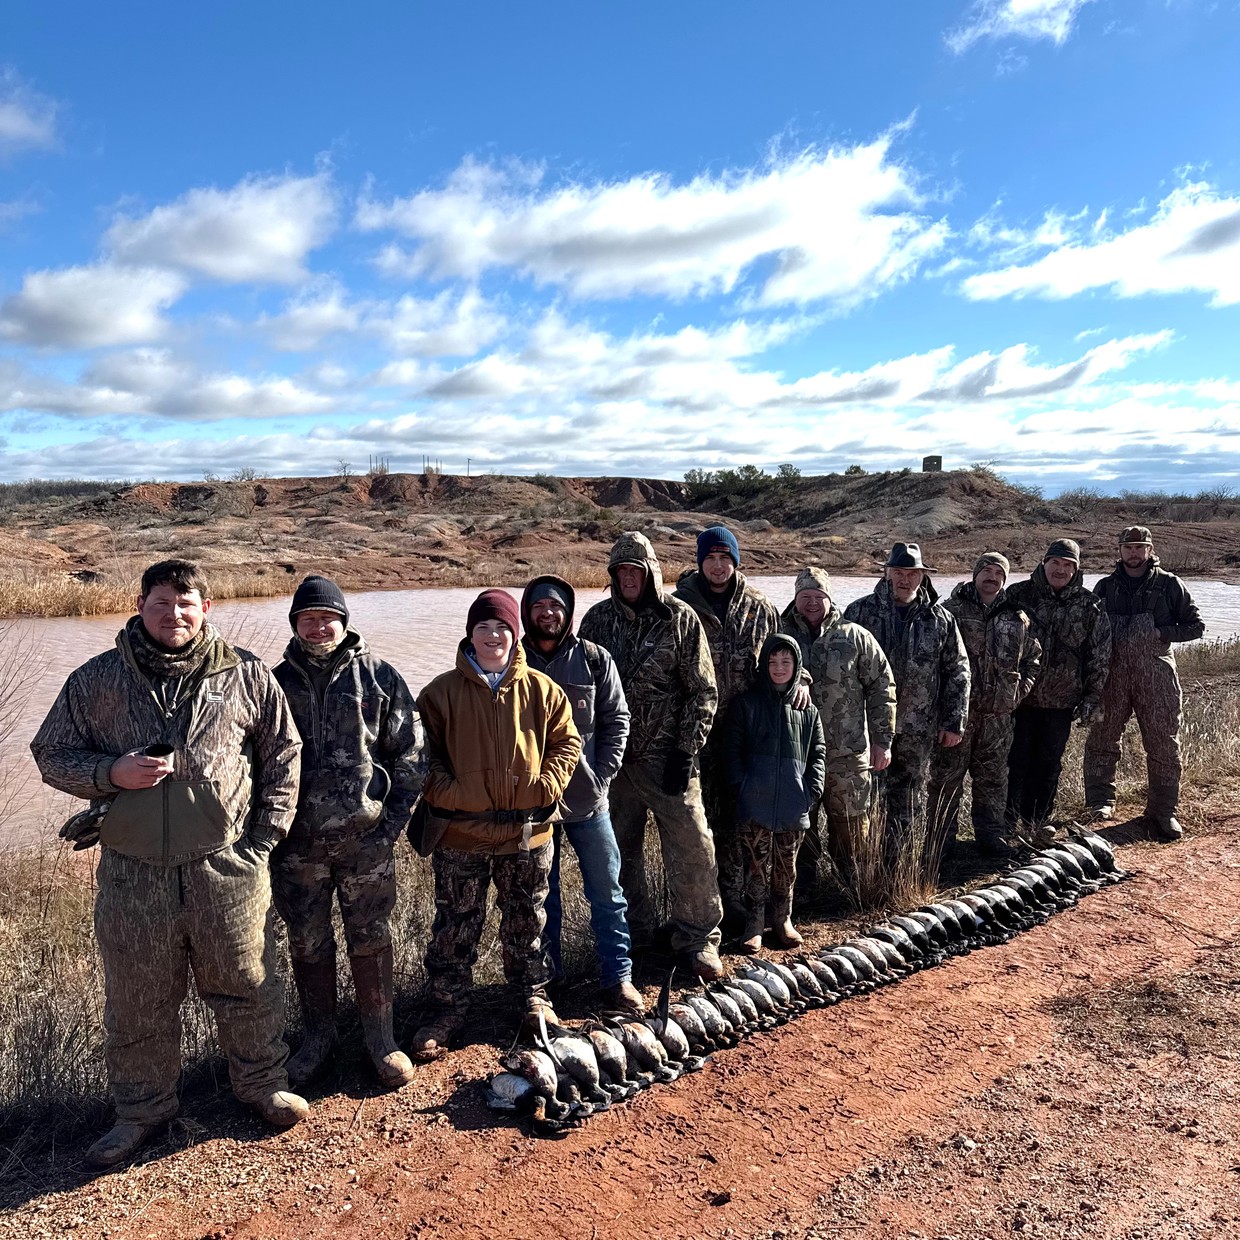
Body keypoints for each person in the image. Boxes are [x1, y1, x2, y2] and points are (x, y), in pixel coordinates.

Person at [31, 559, 305, 1170]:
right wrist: (110, 774)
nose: (173, 614)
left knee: (248, 984)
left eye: (186, 603)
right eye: (161, 603)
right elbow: (49, 752)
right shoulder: (97, 678)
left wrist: (262, 841)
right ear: (140, 606)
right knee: (138, 998)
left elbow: (283, 753)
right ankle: (142, 1112)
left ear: (206, 608)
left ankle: (261, 1085)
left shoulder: (247, 675)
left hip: (227, 868)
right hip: (132, 873)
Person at [410, 589, 581, 1061]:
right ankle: (446, 1009)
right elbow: (421, 759)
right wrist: (457, 796)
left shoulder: (545, 691)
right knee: (454, 925)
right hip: (461, 836)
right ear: (470, 634)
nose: (493, 636)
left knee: (529, 920)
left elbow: (568, 743)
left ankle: (533, 1001)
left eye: (502, 627)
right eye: (483, 627)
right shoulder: (439, 693)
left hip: (528, 834)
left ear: (515, 632)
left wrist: (546, 786)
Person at [270, 576, 426, 1089]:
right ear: (295, 624)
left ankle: (379, 1039)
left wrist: (390, 827)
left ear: (344, 622)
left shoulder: (378, 677)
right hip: (296, 849)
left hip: (367, 845)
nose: (318, 627)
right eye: (308, 618)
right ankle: (318, 1039)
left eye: (327, 618)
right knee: (307, 941)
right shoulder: (271, 683)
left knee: (370, 937)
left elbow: (411, 756)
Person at [577, 532, 724, 982]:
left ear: (651, 573)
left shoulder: (681, 619)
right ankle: (635, 935)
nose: (627, 578)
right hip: (614, 766)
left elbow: (704, 691)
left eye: (635, 571)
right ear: (612, 576)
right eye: (620, 571)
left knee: (694, 848)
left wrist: (686, 749)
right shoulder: (597, 621)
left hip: (670, 763)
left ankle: (698, 939)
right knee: (619, 856)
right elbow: (579, 692)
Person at [519, 574, 643, 1017]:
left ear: (568, 614)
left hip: (589, 803)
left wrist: (603, 775)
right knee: (541, 898)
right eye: (539, 606)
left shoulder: (594, 659)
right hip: (534, 808)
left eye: (556, 606)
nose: (547, 613)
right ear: (526, 612)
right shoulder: (512, 664)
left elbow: (617, 720)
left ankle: (619, 978)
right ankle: (546, 987)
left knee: (608, 892)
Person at [673, 526, 781, 930]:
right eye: (711, 558)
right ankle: (704, 911)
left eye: (725, 558)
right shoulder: (679, 606)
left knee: (744, 818)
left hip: (748, 734)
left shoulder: (760, 607)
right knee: (698, 824)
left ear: (736, 561)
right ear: (700, 561)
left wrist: (800, 685)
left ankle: (746, 906)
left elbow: (783, 660)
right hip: (695, 734)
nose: (718, 566)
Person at [843, 543, 970, 852]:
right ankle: (864, 870)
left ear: (922, 576)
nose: (904, 579)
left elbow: (958, 669)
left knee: (907, 800)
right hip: (870, 727)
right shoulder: (859, 612)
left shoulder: (939, 619)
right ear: (887, 573)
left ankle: (897, 868)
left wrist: (954, 721)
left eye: (912, 573)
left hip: (918, 729)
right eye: (898, 572)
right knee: (866, 799)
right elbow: (841, 669)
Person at [1084, 526, 1204, 840]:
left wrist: (1163, 633)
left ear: (1149, 550)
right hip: (1112, 675)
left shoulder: (1169, 585)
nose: (1134, 553)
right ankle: (1100, 802)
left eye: (1140, 547)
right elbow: (1090, 632)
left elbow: (1196, 626)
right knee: (1102, 738)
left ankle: (1163, 812)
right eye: (1129, 547)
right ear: (1119, 551)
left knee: (1163, 743)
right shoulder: (1105, 587)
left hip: (1157, 675)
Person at [783, 568, 896, 888]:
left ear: (829, 599)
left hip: (848, 753)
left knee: (852, 825)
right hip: (796, 754)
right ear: (795, 599)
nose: (812, 603)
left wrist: (882, 740)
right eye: (805, 597)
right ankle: (802, 890)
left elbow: (882, 687)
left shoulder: (855, 636)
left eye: (818, 597)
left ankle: (849, 888)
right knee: (798, 826)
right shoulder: (780, 635)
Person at [927, 553, 1041, 858]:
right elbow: (932, 663)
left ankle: (990, 837)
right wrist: (944, 705)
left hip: (998, 718)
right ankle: (941, 842)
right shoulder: (949, 612)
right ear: (975, 574)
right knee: (945, 780)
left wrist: (1016, 694)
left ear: (1004, 579)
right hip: (957, 717)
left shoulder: (1017, 617)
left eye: (998, 573)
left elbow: (1033, 660)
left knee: (993, 780)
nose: (991, 577)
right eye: (986, 571)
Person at [722, 634, 826, 952]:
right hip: (755, 807)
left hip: (794, 807)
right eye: (772, 662)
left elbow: (818, 753)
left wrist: (812, 791)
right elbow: (732, 752)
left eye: (786, 662)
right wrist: (743, 787)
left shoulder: (807, 710)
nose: (779, 668)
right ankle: (754, 925)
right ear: (763, 665)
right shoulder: (746, 705)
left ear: (796, 666)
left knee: (786, 868)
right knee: (755, 867)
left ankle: (782, 920)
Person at [1005, 539, 1111, 841]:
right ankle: (1007, 823)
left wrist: (1091, 697)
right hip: (1019, 699)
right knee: (1015, 761)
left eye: (1068, 565)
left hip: (1062, 702)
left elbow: (1099, 655)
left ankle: (1038, 822)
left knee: (1049, 762)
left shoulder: (1089, 605)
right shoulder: (1017, 595)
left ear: (1076, 569)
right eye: (1056, 563)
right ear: (1044, 562)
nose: (1061, 570)